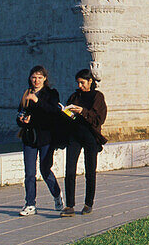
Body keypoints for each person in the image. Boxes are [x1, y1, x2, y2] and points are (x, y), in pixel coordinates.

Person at [16, 65, 64, 216]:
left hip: (46, 138)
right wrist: (22, 120)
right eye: (34, 77)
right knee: (29, 173)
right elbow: (20, 113)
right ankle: (30, 204)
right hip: (29, 137)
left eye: (39, 77)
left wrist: (37, 100)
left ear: (45, 79)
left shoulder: (51, 94)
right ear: (30, 78)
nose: (36, 80)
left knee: (45, 169)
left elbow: (54, 111)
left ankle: (57, 195)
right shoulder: (26, 94)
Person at [60, 68, 107, 216]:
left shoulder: (97, 97)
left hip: (91, 137)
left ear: (90, 81)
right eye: (78, 83)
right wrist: (67, 113)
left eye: (82, 82)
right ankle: (69, 205)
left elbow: (99, 119)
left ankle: (88, 203)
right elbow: (70, 118)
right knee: (69, 170)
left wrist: (82, 111)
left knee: (90, 171)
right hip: (74, 136)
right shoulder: (75, 96)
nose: (80, 85)